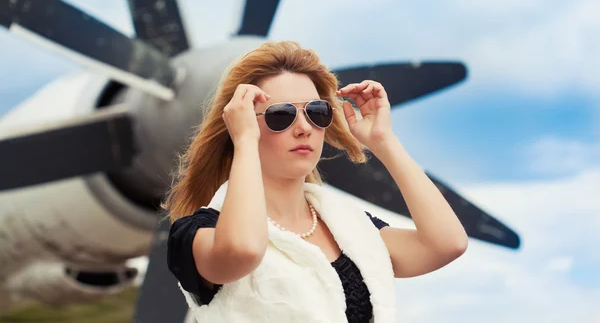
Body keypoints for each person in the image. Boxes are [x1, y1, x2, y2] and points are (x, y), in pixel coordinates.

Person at [163, 41, 468, 323]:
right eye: (280, 115)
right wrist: (243, 142)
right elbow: (243, 250)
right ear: (241, 123)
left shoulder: (351, 229)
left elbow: (447, 244)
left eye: (316, 112)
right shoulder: (199, 234)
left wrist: (384, 141)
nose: (304, 128)